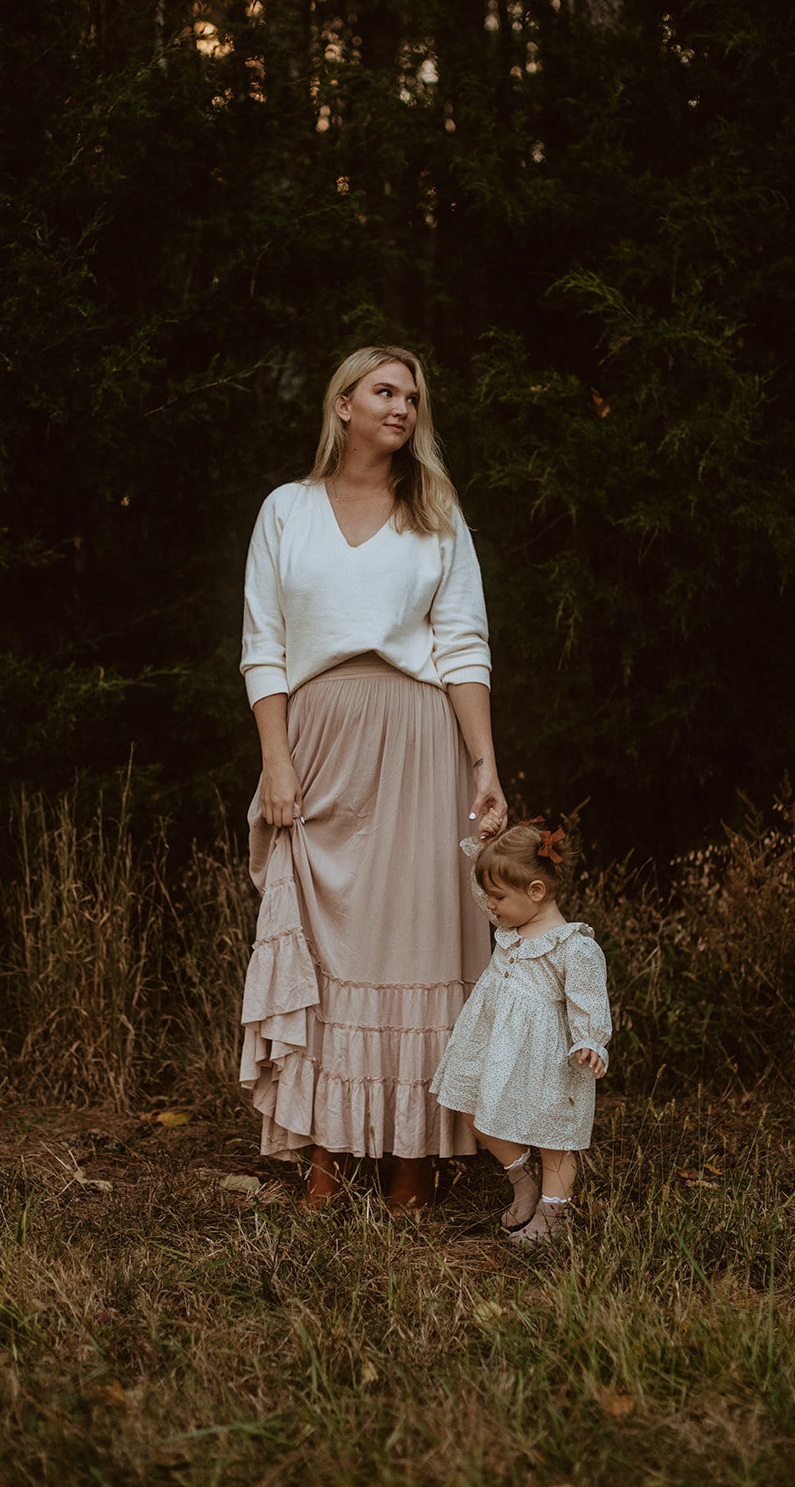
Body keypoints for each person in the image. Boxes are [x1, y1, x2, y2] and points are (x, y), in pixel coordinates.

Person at [239, 345, 507, 1209]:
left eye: (413, 397)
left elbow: (463, 644)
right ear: (343, 403)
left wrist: (485, 764)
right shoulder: (287, 509)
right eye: (385, 392)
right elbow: (263, 648)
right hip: (316, 743)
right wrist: (274, 760)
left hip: (418, 742)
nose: (402, 407)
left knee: (418, 942)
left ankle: (410, 1167)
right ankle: (324, 1160)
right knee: (320, 947)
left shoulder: (434, 513)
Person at [430, 821, 611, 1245]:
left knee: (553, 1137)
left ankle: (553, 1217)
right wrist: (489, 847)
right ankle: (522, 1182)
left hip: (547, 1056)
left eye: (497, 898)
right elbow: (485, 887)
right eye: (490, 897)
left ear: (535, 891)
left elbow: (590, 1000)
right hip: (493, 1045)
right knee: (470, 1105)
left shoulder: (574, 945)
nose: (489, 906)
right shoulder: (510, 926)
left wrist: (590, 1040)